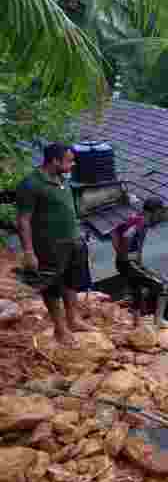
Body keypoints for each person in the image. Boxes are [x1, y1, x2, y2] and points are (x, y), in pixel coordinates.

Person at [14, 143, 88, 345]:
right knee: (52, 286)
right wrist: (29, 252)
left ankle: (73, 319)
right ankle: (60, 328)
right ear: (54, 161)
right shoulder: (31, 184)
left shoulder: (62, 179)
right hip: (49, 245)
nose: (72, 165)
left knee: (71, 282)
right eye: (69, 161)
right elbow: (23, 220)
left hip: (73, 241)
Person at [111, 197, 167, 330]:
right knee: (163, 286)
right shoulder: (141, 221)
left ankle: (136, 323)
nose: (160, 215)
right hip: (129, 262)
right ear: (156, 211)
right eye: (160, 211)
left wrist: (120, 253)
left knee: (137, 289)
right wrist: (125, 255)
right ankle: (158, 321)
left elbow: (114, 232)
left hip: (127, 262)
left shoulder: (134, 217)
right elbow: (127, 236)